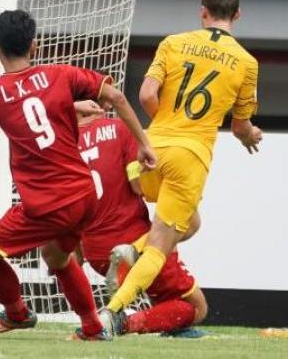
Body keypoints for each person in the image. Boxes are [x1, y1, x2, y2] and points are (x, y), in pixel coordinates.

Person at [0, 10, 156, 340]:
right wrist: (143, 144)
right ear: (36, 46)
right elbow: (114, 96)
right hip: (84, 195)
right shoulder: (62, 76)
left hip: (47, 202)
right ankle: (92, 326)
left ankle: (17, 313)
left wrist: (69, 108)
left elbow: (25, 107)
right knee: (56, 255)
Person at [100, 0, 262, 334]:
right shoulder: (246, 62)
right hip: (189, 157)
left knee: (191, 223)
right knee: (163, 243)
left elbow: (144, 96)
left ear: (202, 11)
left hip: (149, 152)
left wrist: (167, 125)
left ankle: (132, 249)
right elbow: (240, 127)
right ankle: (112, 312)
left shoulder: (173, 43)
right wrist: (252, 135)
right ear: (238, 14)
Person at [51, 101, 207, 337]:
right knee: (196, 307)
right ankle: (118, 320)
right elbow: (137, 185)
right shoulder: (121, 129)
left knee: (164, 300)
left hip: (96, 252)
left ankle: (117, 311)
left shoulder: (62, 147)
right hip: (132, 235)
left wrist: (77, 259)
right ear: (93, 105)